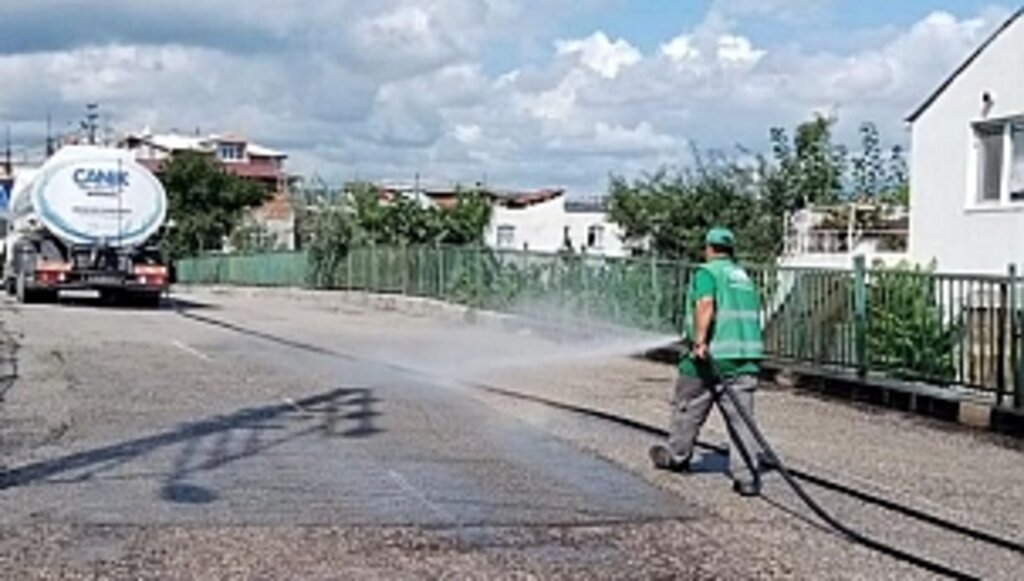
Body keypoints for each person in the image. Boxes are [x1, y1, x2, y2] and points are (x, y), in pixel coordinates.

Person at [649, 227, 765, 497]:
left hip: (711, 356)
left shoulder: (707, 272)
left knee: (687, 406)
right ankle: (746, 478)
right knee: (742, 421)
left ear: (709, 248)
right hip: (745, 357)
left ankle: (677, 457)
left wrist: (699, 341)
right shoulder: (743, 276)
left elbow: (705, 304)